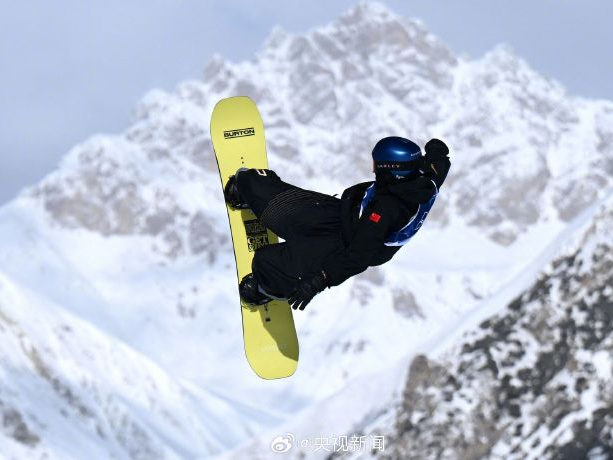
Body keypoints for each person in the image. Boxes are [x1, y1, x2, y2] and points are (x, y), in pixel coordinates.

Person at [223, 137, 451, 311]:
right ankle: (248, 193)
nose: (373, 169)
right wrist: (436, 149)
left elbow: (358, 257)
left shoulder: (385, 211)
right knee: (259, 189)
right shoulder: (424, 176)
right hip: (344, 215)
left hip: (345, 247)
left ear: (391, 170)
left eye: (377, 165)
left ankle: (265, 288)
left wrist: (319, 280)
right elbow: (440, 162)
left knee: (267, 262)